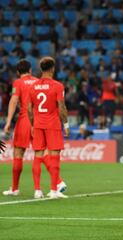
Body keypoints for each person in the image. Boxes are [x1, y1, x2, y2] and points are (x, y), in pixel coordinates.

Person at [3, 59, 66, 199]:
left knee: (19, 153)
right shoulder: (39, 82)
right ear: (31, 70)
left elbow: (14, 100)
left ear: (18, 72)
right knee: (42, 153)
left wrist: (8, 122)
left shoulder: (18, 83)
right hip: (40, 120)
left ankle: (15, 189)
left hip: (26, 119)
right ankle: (58, 182)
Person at [28, 57, 69, 199]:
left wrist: (32, 124)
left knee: (38, 156)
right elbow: (62, 107)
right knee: (54, 157)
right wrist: (66, 124)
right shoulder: (57, 86)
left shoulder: (32, 86)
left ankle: (37, 190)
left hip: (38, 124)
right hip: (52, 124)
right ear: (52, 68)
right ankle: (53, 190)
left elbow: (28, 108)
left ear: (41, 69)